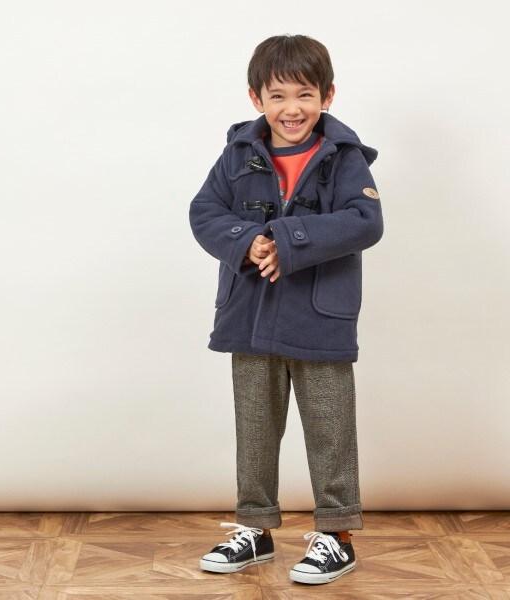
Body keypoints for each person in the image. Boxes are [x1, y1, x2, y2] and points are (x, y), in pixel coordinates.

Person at [189, 34, 384, 585]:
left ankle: (337, 536)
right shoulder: (237, 154)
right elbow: (204, 211)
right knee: (255, 428)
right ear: (256, 98)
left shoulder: (344, 158)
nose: (291, 109)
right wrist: (246, 241)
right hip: (249, 316)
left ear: (327, 95)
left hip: (320, 318)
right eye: (277, 96)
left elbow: (365, 221)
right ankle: (255, 528)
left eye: (304, 95)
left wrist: (287, 236)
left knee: (329, 427)